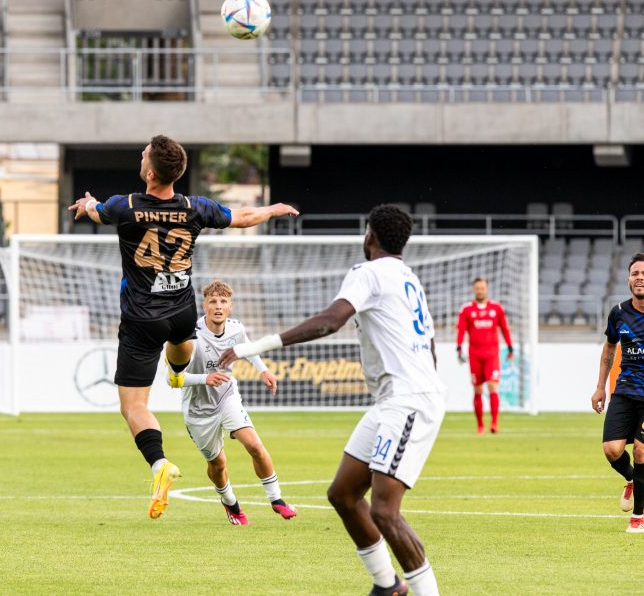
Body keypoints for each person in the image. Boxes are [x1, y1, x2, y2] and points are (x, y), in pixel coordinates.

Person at [68, 134, 298, 520]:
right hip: (181, 315)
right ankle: (178, 372)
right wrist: (272, 208)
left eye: (143, 156)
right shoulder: (195, 207)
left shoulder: (124, 206)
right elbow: (241, 218)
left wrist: (86, 202)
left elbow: (94, 211)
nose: (140, 158)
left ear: (151, 171)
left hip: (141, 320)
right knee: (178, 355)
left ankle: (159, 465)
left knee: (134, 406)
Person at [219, 204, 445, 596]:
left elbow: (329, 321)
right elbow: (430, 345)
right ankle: (387, 585)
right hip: (396, 399)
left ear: (370, 236)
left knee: (384, 512)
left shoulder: (368, 272)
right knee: (342, 494)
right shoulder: (408, 277)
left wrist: (252, 347)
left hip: (407, 400)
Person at [169, 279, 297, 525]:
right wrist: (204, 378)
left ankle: (277, 499)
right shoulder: (191, 336)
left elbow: (247, 348)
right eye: (213, 301)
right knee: (217, 464)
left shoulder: (236, 329)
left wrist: (263, 370)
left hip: (227, 396)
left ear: (230, 306)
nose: (218, 306)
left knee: (255, 445)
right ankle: (230, 503)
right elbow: (172, 379)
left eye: (223, 302)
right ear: (204, 305)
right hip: (198, 411)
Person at [591, 252, 644, 534]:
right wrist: (601, 386)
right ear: (628, 279)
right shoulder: (619, 313)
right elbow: (609, 349)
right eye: (636, 273)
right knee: (612, 450)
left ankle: (638, 517)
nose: (640, 278)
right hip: (624, 391)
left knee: (640, 450)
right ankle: (634, 480)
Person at [456, 277, 514, 434]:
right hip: (475, 355)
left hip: (491, 355)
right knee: (477, 389)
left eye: (482, 288)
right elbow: (461, 330)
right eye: (477, 288)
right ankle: (480, 425)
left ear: (486, 289)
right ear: (474, 290)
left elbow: (504, 328)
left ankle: (494, 423)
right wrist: (459, 348)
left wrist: (510, 347)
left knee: (493, 385)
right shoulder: (466, 309)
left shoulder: (496, 308)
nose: (480, 290)